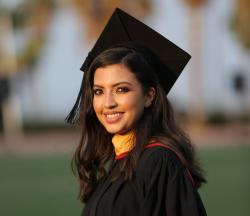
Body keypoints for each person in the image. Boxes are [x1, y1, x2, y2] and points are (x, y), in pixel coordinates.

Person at [66, 8, 207, 216]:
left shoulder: (159, 162)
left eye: (121, 89)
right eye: (99, 91)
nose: (108, 103)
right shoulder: (119, 164)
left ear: (149, 96)